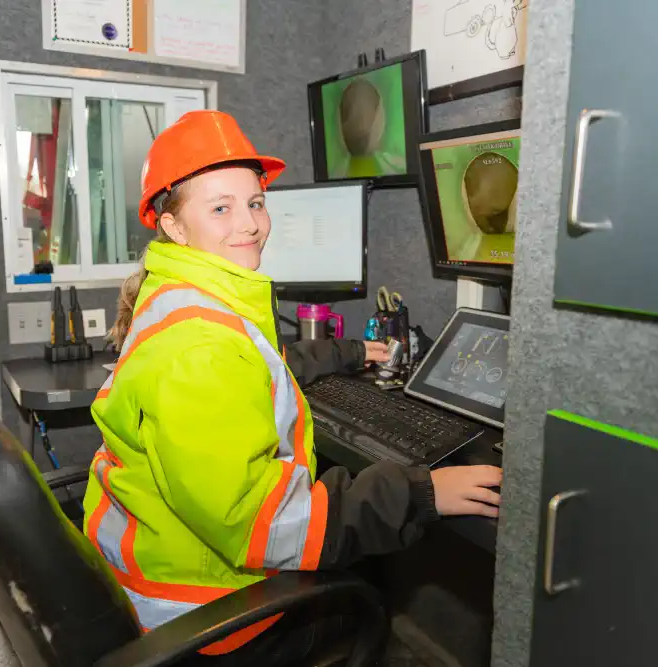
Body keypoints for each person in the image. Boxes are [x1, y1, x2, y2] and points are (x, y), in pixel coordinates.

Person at [83, 110, 502, 663]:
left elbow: (258, 363)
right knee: (373, 577)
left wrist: (347, 353)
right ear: (173, 226)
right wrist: (423, 493)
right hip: (205, 613)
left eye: (255, 202)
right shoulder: (200, 353)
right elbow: (266, 526)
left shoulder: (179, 297)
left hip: (154, 562)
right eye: (220, 208)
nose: (250, 224)